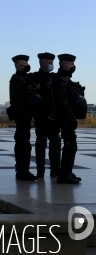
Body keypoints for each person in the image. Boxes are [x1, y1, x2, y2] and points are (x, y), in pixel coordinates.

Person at [52, 54, 86, 184]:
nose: (73, 67)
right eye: (71, 64)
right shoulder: (60, 79)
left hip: (66, 116)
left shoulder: (64, 78)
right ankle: (64, 175)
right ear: (66, 65)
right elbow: (62, 101)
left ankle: (67, 171)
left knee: (71, 145)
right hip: (65, 117)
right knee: (70, 145)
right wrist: (71, 117)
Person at [31, 52, 61, 179]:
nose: (51, 65)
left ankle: (55, 169)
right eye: (50, 63)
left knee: (55, 142)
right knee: (41, 143)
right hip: (41, 115)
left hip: (54, 115)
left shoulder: (55, 77)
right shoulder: (33, 77)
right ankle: (40, 171)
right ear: (43, 64)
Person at [9, 55, 37, 181]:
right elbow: (18, 100)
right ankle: (22, 171)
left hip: (25, 115)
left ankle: (23, 170)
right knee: (23, 144)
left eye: (26, 62)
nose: (25, 64)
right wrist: (23, 115)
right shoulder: (18, 78)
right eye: (23, 63)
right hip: (22, 116)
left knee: (24, 143)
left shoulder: (24, 78)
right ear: (18, 65)